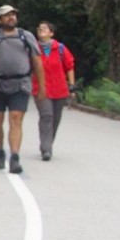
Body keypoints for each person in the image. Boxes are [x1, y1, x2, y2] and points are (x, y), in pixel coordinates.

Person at [0, 5, 45, 174]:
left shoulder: (26, 36)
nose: (11, 17)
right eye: (6, 15)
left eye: (13, 14)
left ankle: (14, 157)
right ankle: (0, 152)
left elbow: (37, 62)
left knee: (15, 119)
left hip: (20, 84)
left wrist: (42, 87)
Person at [33, 21, 77, 161]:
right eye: (39, 28)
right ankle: (46, 148)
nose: (41, 30)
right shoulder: (33, 48)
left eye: (44, 28)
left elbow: (69, 66)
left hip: (59, 89)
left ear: (51, 33)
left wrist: (72, 85)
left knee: (56, 119)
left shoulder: (60, 49)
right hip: (41, 89)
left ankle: (47, 143)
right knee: (46, 116)